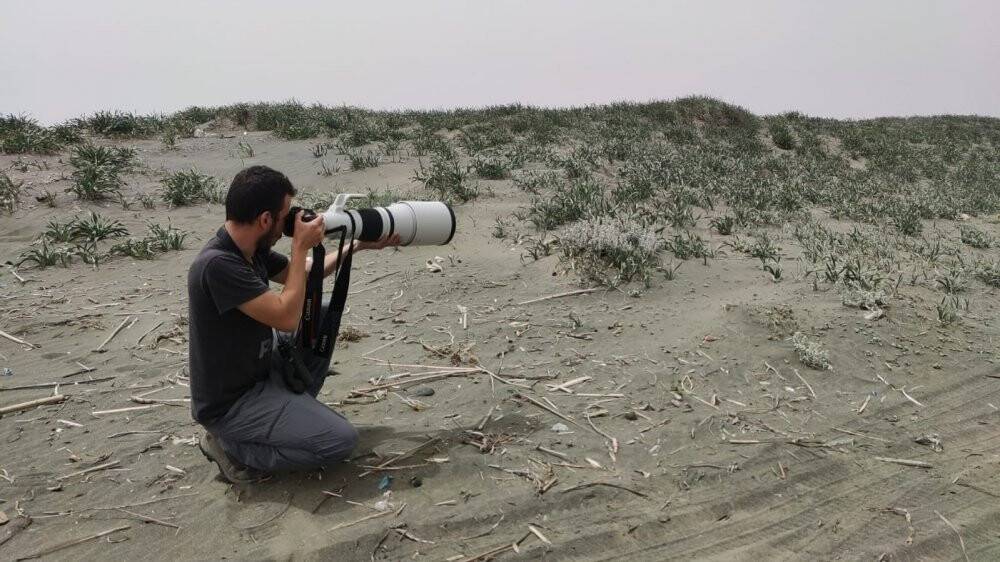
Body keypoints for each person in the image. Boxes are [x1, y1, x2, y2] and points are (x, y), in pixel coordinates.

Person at [187, 165, 399, 484]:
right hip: (232, 403)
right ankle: (232, 447)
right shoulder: (217, 265)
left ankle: (289, 413)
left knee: (322, 313)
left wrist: (356, 244)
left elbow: (306, 271)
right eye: (286, 215)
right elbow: (287, 315)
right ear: (265, 219)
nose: (289, 223)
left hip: (258, 372)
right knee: (340, 441)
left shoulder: (247, 248)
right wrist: (299, 246)